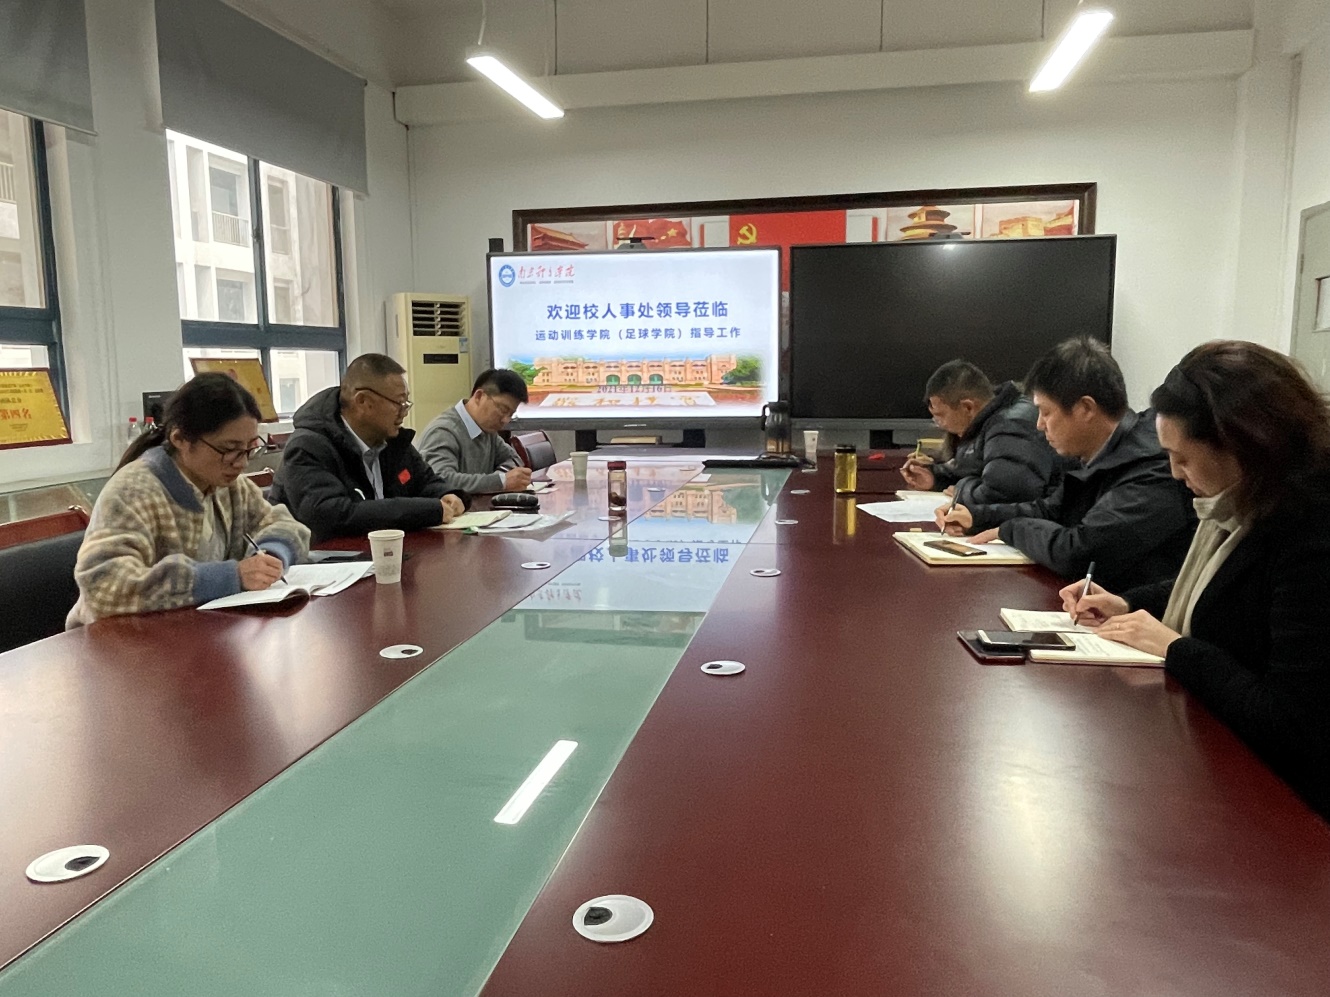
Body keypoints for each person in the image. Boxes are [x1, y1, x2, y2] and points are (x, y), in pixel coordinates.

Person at [1059, 341, 1330, 817]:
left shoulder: (1311, 536)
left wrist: (1175, 648)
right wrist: (1127, 602)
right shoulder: (1243, 507)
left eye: (1182, 458)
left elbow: (1294, 726)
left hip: (1287, 805)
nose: (1174, 473)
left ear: (1243, 447)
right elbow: (1220, 591)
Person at [936, 337, 1195, 591]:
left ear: (1086, 409)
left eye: (1046, 412)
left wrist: (1010, 529)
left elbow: (1079, 552)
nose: (1039, 425)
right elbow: (1052, 510)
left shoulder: (1152, 468)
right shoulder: (1100, 453)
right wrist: (977, 516)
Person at [68, 374, 309, 626]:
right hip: (120, 638)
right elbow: (104, 586)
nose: (242, 463)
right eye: (229, 449)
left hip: (196, 629)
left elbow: (285, 525)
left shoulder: (229, 485)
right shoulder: (133, 491)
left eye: (249, 448)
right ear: (180, 439)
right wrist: (229, 577)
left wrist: (271, 555)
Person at [270, 354, 468, 543]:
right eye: (399, 403)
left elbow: (425, 482)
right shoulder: (308, 447)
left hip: (386, 554)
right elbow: (332, 515)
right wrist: (427, 511)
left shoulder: (393, 440)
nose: (404, 412)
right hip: (327, 560)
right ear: (362, 401)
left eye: (406, 403)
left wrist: (446, 495)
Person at [900, 359, 1059, 505]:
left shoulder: (1010, 426)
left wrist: (962, 490)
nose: (938, 423)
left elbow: (1007, 493)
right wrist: (935, 477)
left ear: (967, 407)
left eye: (940, 415)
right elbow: (972, 467)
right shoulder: (988, 417)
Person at [416, 368, 531, 493]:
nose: (505, 420)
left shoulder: (487, 430)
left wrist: (503, 476)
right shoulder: (443, 432)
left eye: (511, 414)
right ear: (479, 396)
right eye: (503, 410)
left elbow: (514, 459)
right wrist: (500, 481)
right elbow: (441, 481)